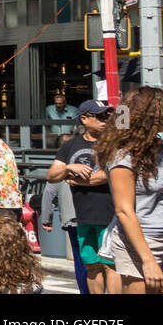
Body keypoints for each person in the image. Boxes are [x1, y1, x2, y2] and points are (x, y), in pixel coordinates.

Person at [97, 87, 163, 294]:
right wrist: (147, 260)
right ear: (149, 116)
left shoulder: (162, 147)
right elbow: (124, 211)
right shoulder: (123, 157)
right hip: (142, 241)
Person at [47, 100, 117, 294]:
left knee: (111, 265)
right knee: (91, 264)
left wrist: (76, 181)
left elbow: (109, 175)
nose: (105, 120)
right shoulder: (71, 145)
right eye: (100, 116)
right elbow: (51, 176)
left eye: (107, 115)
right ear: (84, 119)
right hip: (83, 216)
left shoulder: (113, 142)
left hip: (109, 215)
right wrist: (69, 167)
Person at [40, 134, 90, 294]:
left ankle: (85, 289)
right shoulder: (84, 165)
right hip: (88, 215)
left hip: (72, 218)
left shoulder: (60, 171)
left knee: (80, 258)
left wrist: (46, 219)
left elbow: (48, 193)